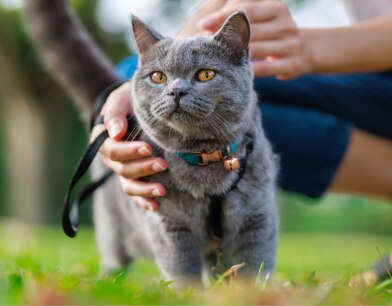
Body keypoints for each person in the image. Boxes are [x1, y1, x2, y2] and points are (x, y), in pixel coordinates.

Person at [91, 0, 392, 283]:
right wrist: (122, 104)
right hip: (369, 77)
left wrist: (308, 47)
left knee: (240, 100)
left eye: (203, 74)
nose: (177, 89)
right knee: (125, 77)